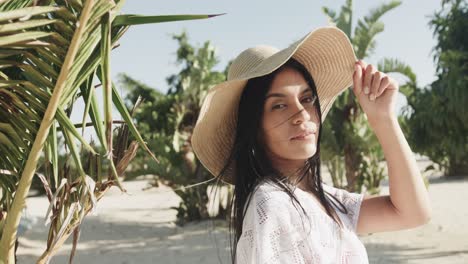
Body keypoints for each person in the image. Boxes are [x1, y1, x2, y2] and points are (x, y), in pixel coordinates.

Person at [191, 26, 432, 263]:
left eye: (306, 99)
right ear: (254, 129)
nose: (301, 113)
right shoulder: (272, 203)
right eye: (279, 105)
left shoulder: (322, 199)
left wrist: (383, 118)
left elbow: (412, 213)